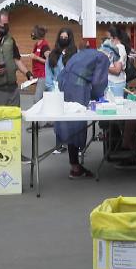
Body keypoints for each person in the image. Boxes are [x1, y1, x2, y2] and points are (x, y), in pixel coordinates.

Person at [55, 47, 109, 179]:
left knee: (68, 120)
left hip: (63, 83)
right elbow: (98, 82)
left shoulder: (83, 54)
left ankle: (74, 163)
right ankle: (75, 167)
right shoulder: (103, 58)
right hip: (77, 87)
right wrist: (98, 97)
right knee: (77, 123)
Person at [0, 10, 34, 106]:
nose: (7, 26)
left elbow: (17, 60)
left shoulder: (10, 39)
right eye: (5, 24)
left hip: (13, 89)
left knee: (14, 119)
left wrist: (28, 74)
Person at [45, 27, 78, 94]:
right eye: (61, 37)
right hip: (55, 89)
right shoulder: (52, 55)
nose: (63, 39)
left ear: (70, 39)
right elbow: (48, 74)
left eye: (65, 38)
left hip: (72, 90)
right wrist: (53, 90)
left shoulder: (76, 54)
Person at [104, 26, 131, 98]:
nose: (106, 41)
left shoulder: (119, 48)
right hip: (111, 82)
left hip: (116, 83)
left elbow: (117, 70)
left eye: (108, 38)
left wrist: (104, 67)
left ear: (114, 38)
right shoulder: (113, 48)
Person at [30, 25, 51, 103]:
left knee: (37, 100)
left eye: (33, 32)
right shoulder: (36, 45)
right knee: (41, 100)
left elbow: (49, 61)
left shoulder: (45, 46)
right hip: (37, 75)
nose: (32, 34)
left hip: (43, 76)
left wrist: (36, 57)